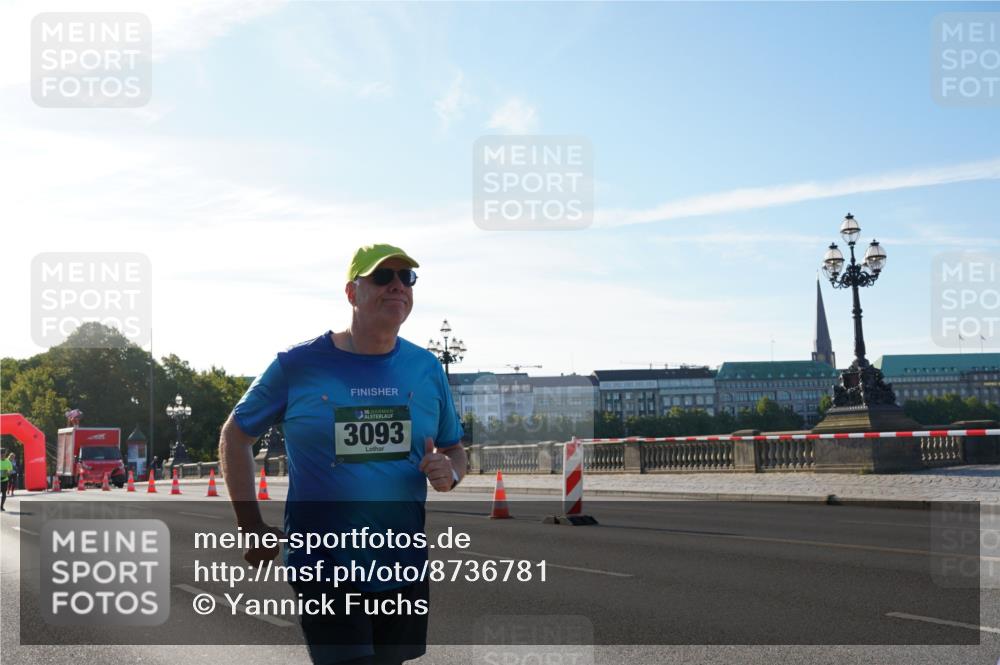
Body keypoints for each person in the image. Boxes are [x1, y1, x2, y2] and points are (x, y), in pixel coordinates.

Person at [220, 243, 466, 665]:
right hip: (324, 564)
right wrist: (250, 524)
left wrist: (450, 473)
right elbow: (235, 435)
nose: (396, 286)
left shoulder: (425, 368)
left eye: (405, 278)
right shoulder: (298, 365)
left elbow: (454, 448)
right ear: (352, 293)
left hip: (402, 565)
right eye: (382, 277)